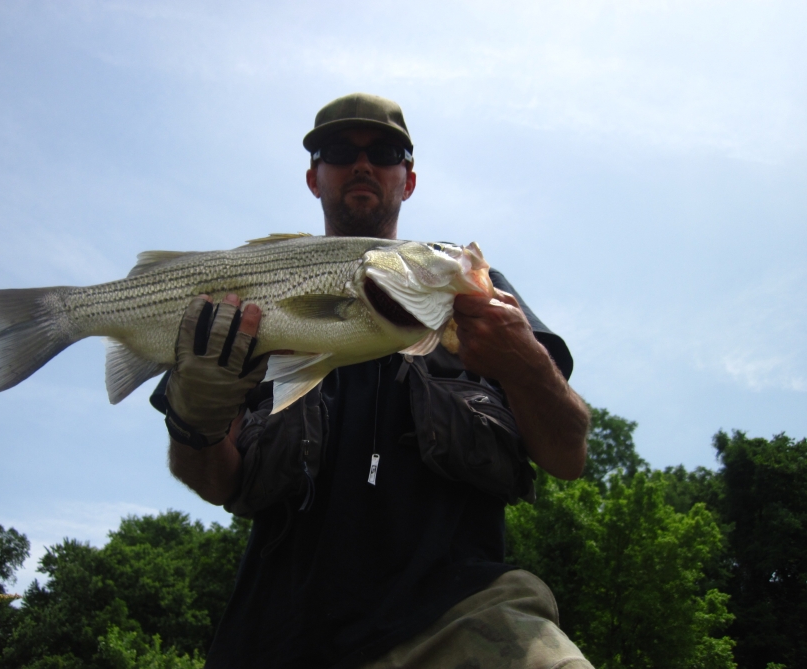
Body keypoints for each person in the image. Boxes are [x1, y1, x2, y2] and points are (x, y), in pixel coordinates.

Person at [152, 93, 593, 668]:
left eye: (384, 153)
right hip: (276, 642)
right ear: (314, 177)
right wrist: (195, 417)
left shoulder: (476, 296)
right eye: (340, 151)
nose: (362, 164)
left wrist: (525, 362)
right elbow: (214, 481)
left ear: (408, 180)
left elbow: (568, 455)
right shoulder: (243, 301)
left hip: (465, 618)